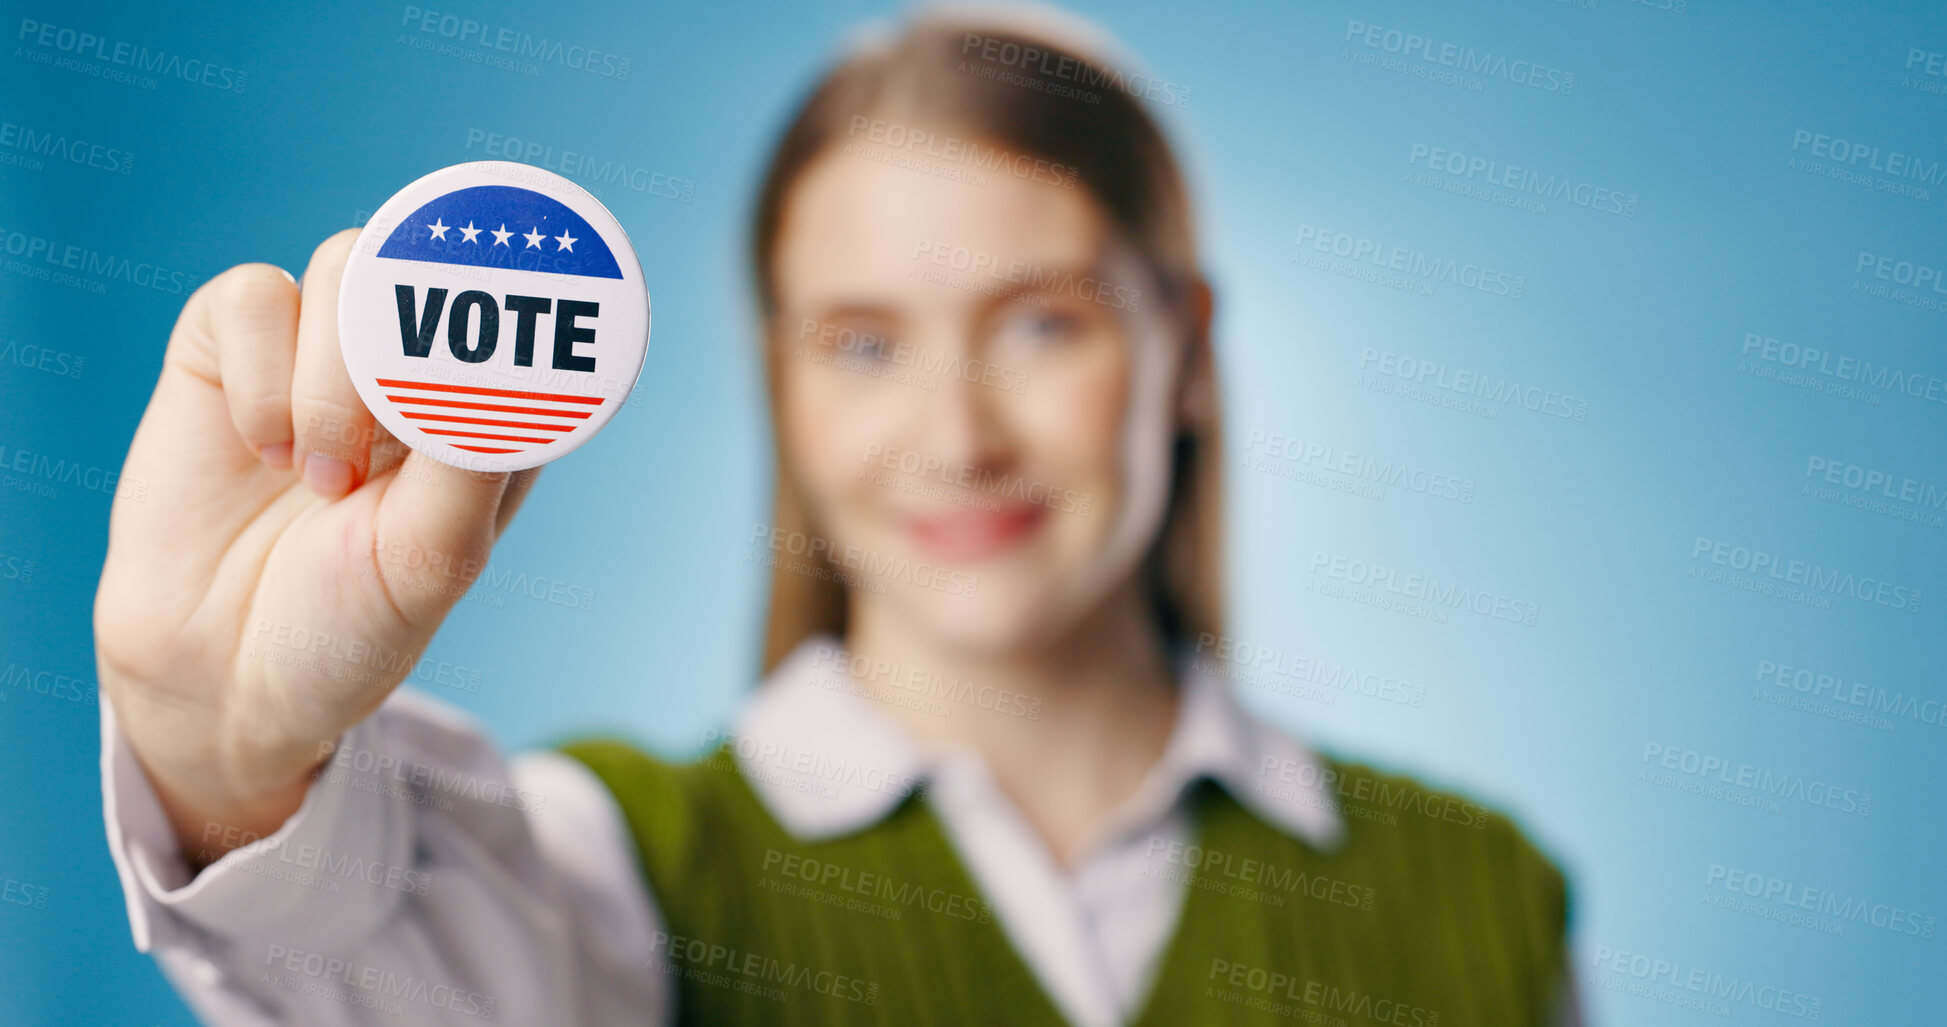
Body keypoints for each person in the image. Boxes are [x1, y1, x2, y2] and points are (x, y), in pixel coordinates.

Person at [96, 7, 1579, 1024]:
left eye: (1043, 325)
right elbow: (376, 959)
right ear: (782, 391)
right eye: (862, 343)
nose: (955, 435)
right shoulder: (630, 872)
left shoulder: (1480, 896)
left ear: (1185, 347)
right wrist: (231, 764)